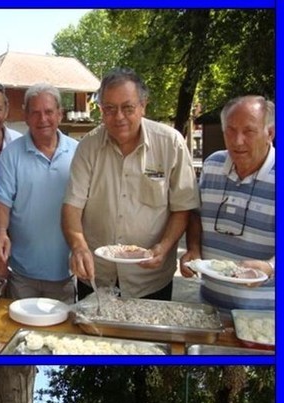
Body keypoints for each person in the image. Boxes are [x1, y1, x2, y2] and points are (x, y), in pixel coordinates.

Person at [62, 67, 199, 300]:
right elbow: (72, 208)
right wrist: (78, 246)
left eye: (127, 107)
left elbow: (182, 207)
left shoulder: (170, 143)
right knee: (92, 338)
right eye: (109, 109)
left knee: (149, 338)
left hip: (149, 279)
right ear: (101, 109)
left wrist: (163, 247)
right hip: (97, 276)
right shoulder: (88, 146)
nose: (119, 117)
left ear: (143, 105)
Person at [181, 95, 275, 311]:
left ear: (269, 133)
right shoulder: (213, 165)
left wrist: (270, 267)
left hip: (265, 317)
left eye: (248, 131)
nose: (237, 140)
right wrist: (193, 249)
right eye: (230, 131)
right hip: (211, 306)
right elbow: (196, 215)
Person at [0, 84, 79, 302]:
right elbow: (2, 202)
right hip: (22, 273)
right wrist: (0, 231)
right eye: (35, 113)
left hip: (66, 272)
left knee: (62, 335)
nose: (43, 119)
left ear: (59, 114)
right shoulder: (11, 154)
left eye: (49, 112)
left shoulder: (79, 152)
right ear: (26, 116)